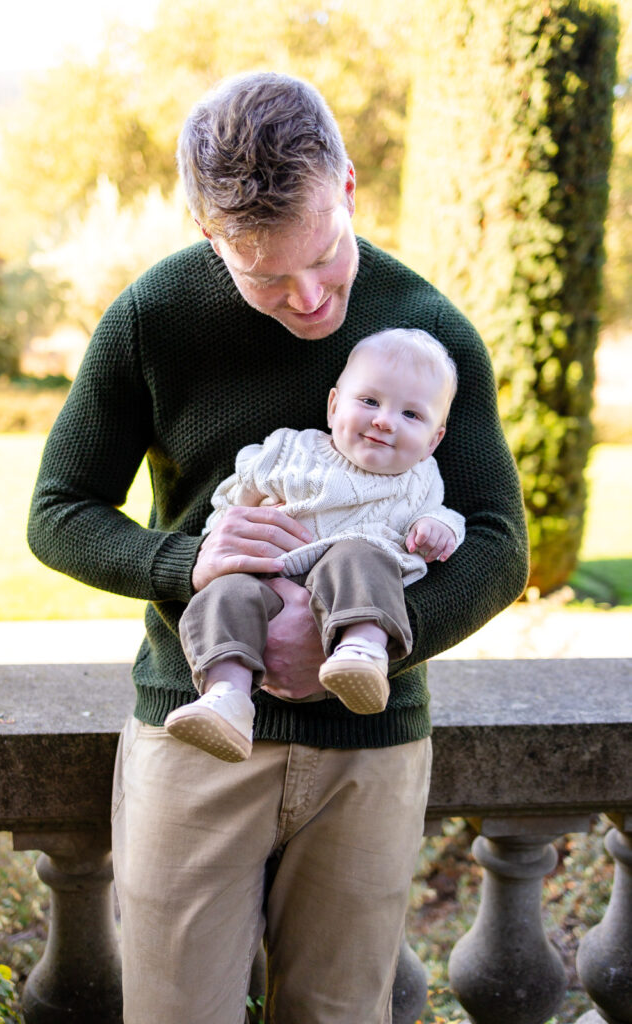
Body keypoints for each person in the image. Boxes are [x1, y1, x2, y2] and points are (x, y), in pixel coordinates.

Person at [28, 71, 528, 1024]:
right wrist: (186, 566)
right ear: (208, 234)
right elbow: (60, 509)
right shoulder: (153, 317)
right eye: (264, 275)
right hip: (194, 737)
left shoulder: (430, 332)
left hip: (368, 751)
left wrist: (387, 631)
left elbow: (500, 541)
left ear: (346, 187)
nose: (307, 301)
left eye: (325, 259)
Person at [167, 328, 465, 762]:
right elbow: (233, 505)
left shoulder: (420, 480)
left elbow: (445, 516)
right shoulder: (287, 450)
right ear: (333, 406)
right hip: (267, 576)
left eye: (411, 415)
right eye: (369, 401)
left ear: (433, 441)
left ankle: (362, 651)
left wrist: (437, 528)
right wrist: (221, 544)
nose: (384, 420)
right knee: (223, 595)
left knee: (361, 555)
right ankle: (227, 696)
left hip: (350, 583)